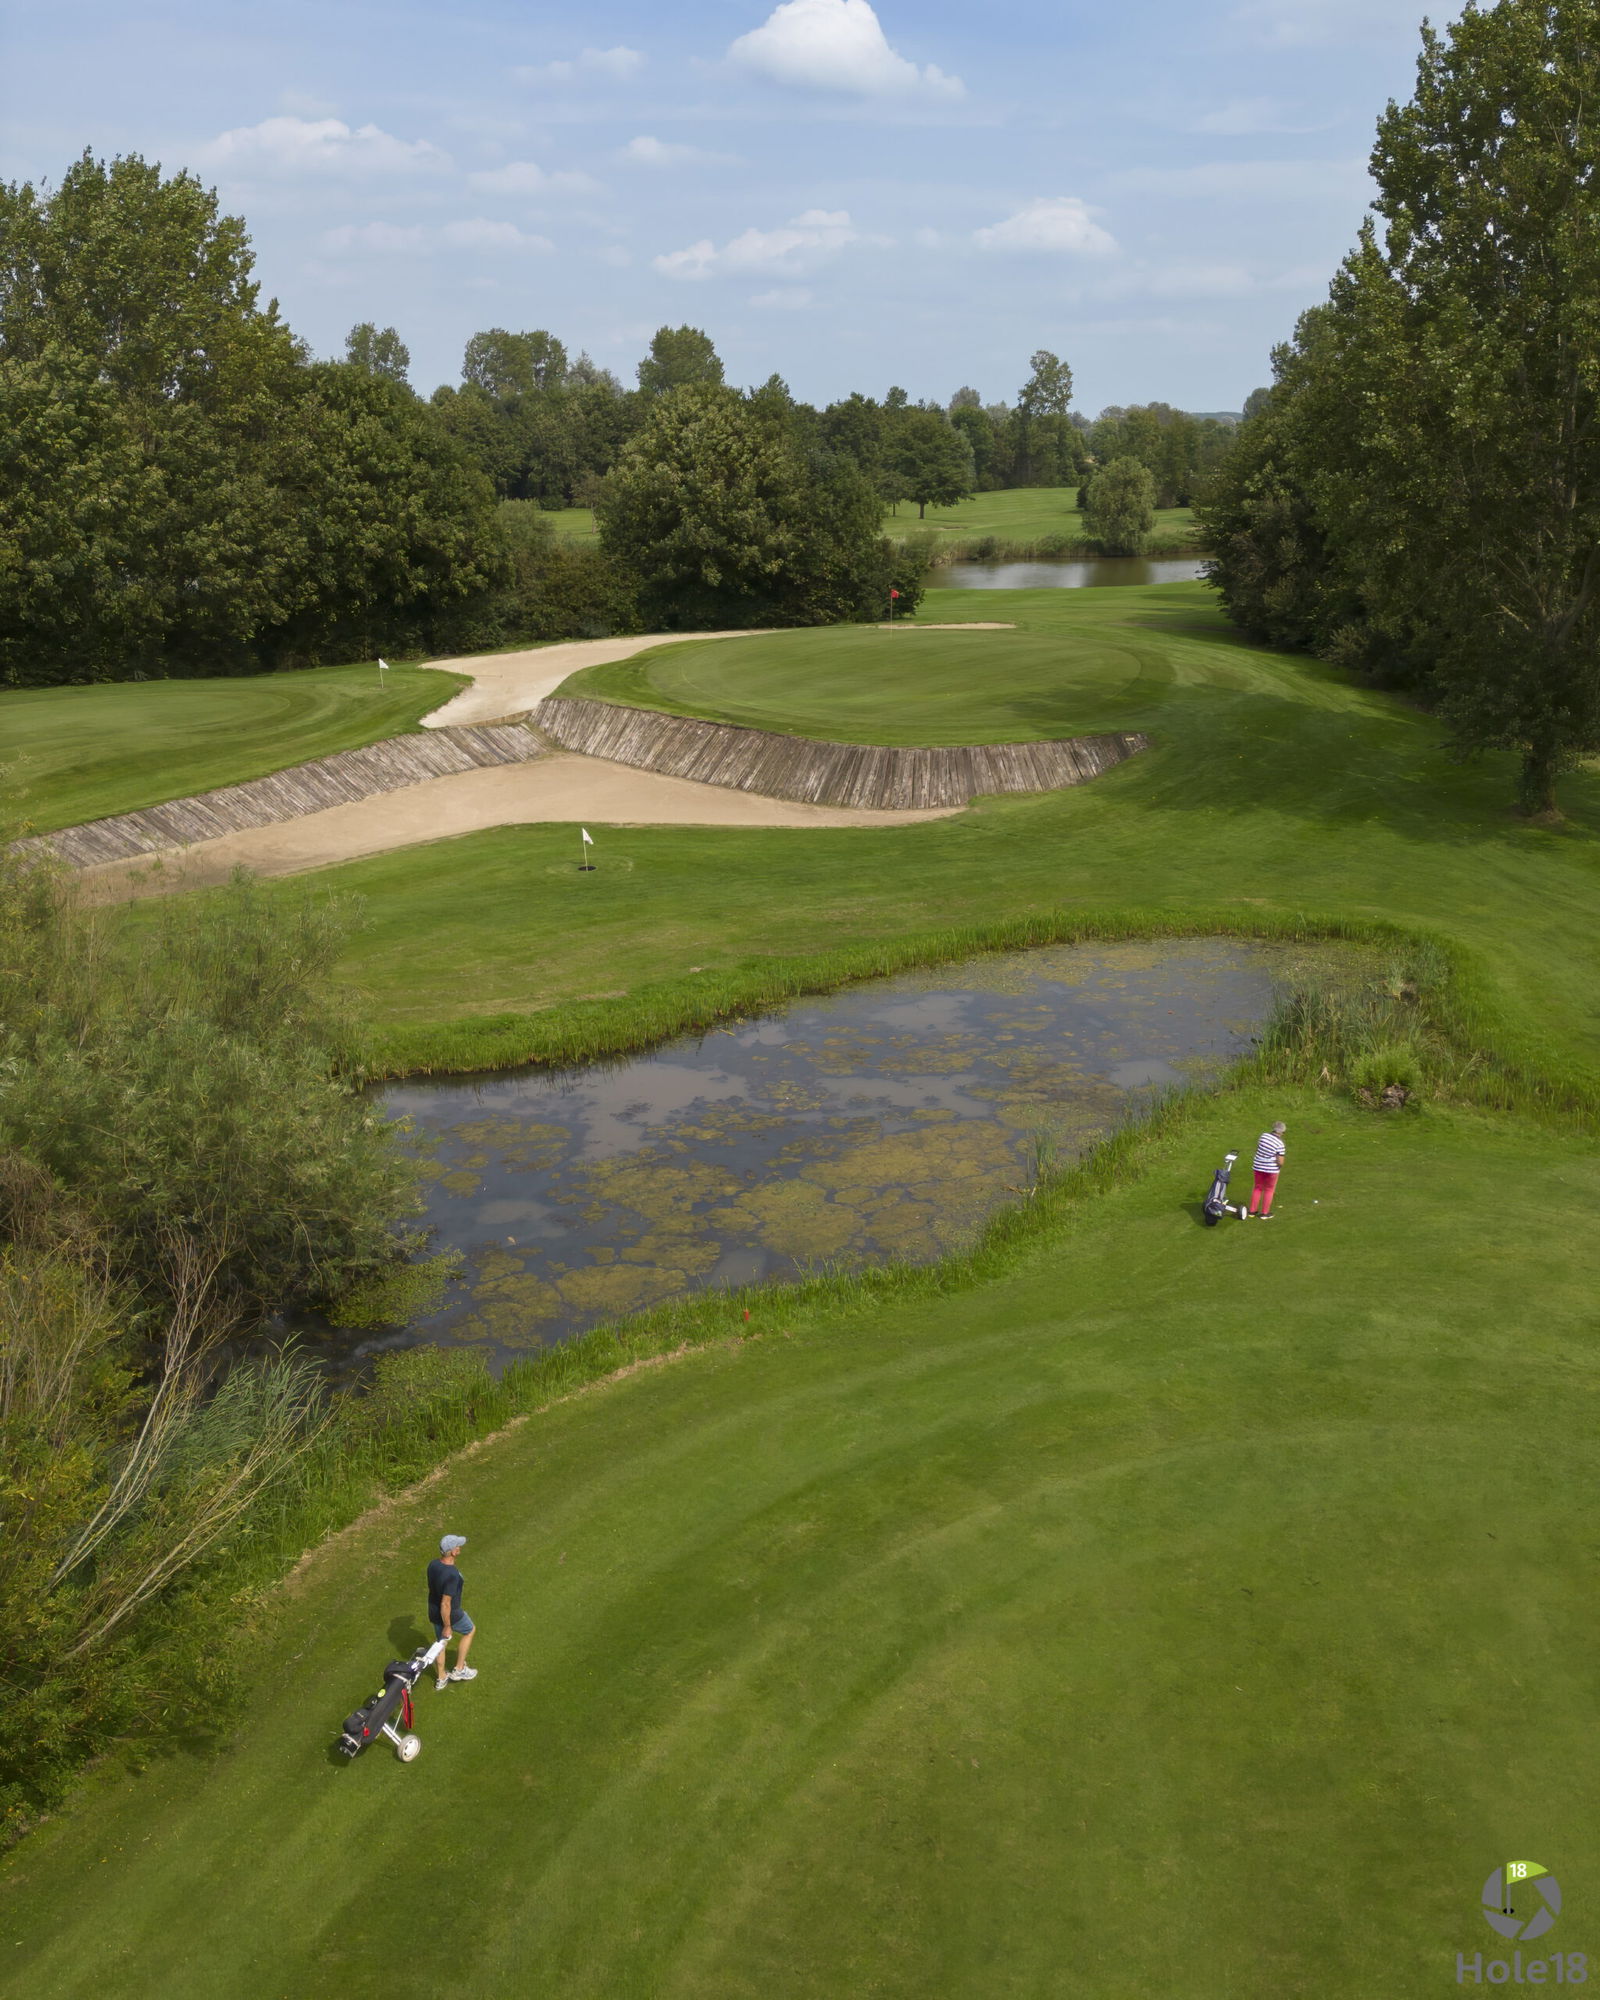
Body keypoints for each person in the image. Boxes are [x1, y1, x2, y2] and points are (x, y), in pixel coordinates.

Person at [427, 1533, 478, 1691]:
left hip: (433, 1611)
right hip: (450, 1614)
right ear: (453, 1552)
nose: (460, 1547)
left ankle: (441, 1678)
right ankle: (459, 1669)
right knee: (470, 1630)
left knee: (441, 1642)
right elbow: (446, 1603)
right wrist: (448, 1625)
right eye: (458, 1546)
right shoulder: (452, 1575)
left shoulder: (433, 1564)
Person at [1248, 1122, 1286, 1218]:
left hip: (1258, 1166)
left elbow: (1258, 1149)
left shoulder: (1263, 1136)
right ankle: (1264, 1213)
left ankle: (1252, 1211)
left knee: (1257, 1188)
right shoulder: (1280, 1144)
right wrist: (1278, 1167)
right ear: (1281, 1132)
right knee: (1269, 1190)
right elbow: (1280, 1161)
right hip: (1271, 1170)